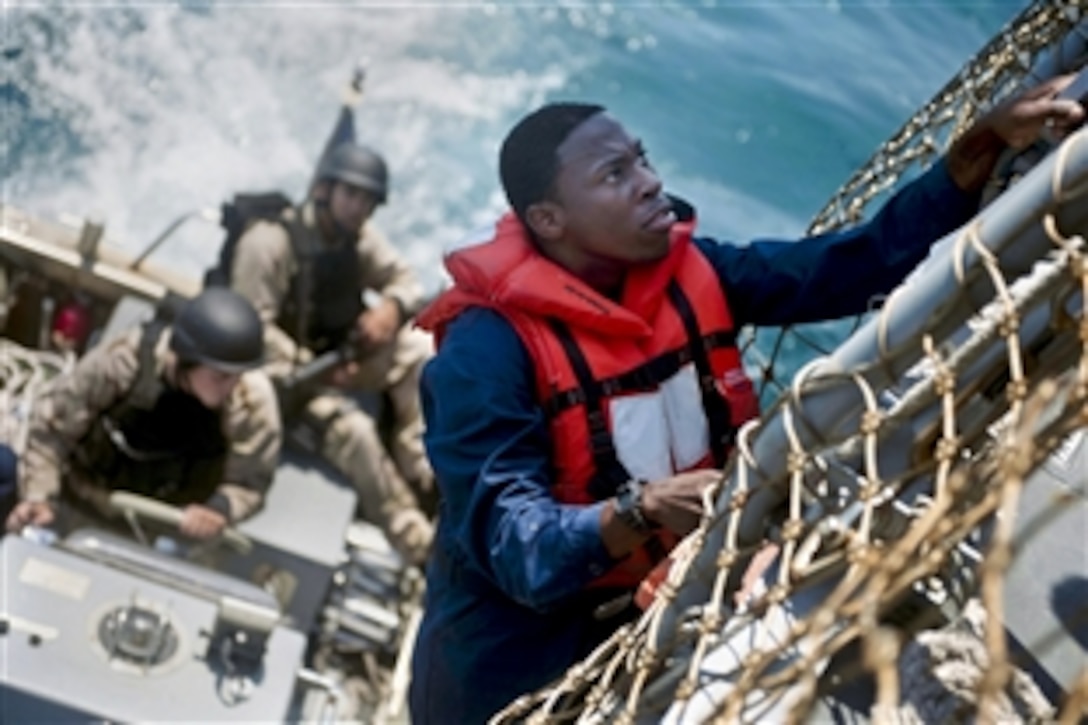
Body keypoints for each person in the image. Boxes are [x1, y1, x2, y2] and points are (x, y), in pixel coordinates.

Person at [407, 77, 1085, 723]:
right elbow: (513, 546)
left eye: (641, 159)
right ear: (548, 219)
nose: (650, 181)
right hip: (510, 651)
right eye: (615, 174)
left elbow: (847, 266)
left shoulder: (693, 271)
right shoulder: (484, 354)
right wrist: (641, 507)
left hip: (666, 607)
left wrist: (978, 152)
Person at [228, 141, 435, 566]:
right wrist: (315, 369)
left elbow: (406, 279)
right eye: (351, 195)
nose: (359, 208)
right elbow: (249, 334)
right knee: (356, 434)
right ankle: (418, 542)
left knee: (421, 348)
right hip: (279, 379)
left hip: (337, 360)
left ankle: (427, 474)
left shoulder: (354, 238)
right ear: (325, 190)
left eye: (368, 201)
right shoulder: (268, 244)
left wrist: (390, 308)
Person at [4, 288, 282, 542]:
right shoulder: (122, 363)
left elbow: (249, 482)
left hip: (167, 531)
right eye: (220, 377)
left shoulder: (250, 400)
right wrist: (39, 498)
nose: (231, 387)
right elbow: (51, 432)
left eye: (237, 377)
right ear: (186, 362)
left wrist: (218, 510)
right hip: (78, 500)